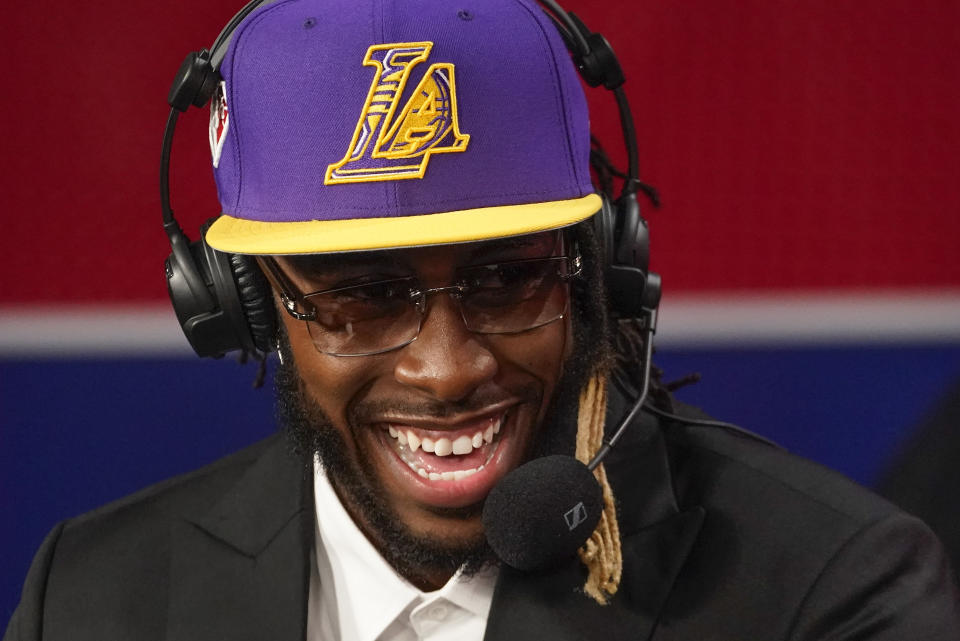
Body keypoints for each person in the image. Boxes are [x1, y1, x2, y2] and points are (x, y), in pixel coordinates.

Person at [5, 0, 959, 639]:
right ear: (244, 301)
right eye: (363, 294)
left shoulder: (829, 590)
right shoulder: (91, 597)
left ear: (599, 273)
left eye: (507, 279)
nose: (449, 367)